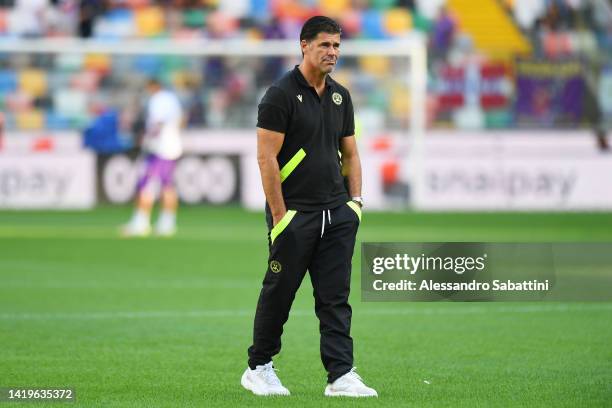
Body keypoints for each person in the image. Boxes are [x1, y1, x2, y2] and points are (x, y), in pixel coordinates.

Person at [241, 16, 377, 398]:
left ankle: (341, 375)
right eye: (325, 45)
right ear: (304, 45)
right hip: (295, 215)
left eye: (336, 45)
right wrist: (281, 217)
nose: (332, 52)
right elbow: (266, 158)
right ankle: (259, 367)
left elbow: (351, 154)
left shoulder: (340, 96)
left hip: (337, 213)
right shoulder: (279, 95)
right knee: (278, 294)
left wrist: (356, 204)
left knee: (335, 298)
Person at [122, 78, 183, 237]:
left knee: (146, 183)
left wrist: (149, 137)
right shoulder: (172, 99)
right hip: (172, 147)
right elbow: (181, 119)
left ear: (152, 87)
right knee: (167, 184)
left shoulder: (158, 100)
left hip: (159, 148)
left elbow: (158, 121)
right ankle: (167, 222)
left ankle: (141, 222)